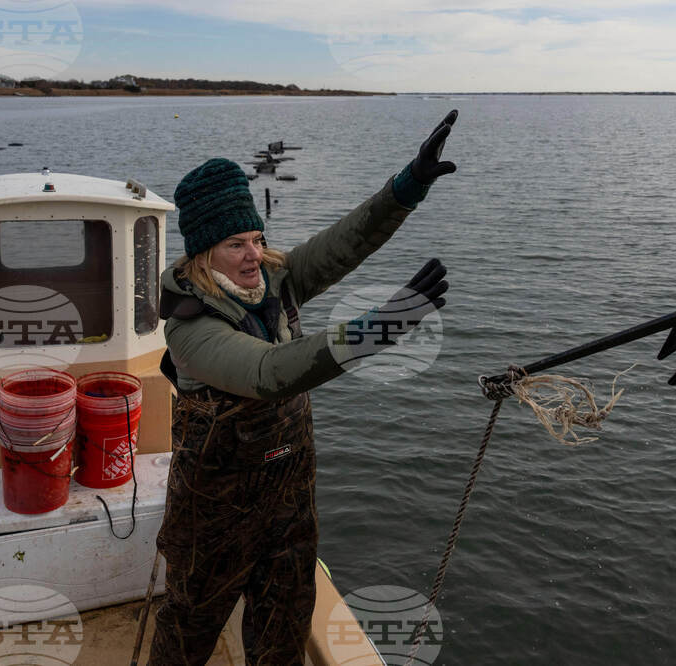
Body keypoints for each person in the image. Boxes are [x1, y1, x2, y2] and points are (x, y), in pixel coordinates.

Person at [148, 110, 460, 665]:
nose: (253, 255)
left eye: (257, 238)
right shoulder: (189, 327)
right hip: (212, 520)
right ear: (202, 253)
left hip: (288, 507)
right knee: (187, 636)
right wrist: (379, 328)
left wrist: (407, 186)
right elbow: (269, 373)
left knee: (284, 637)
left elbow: (347, 242)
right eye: (236, 245)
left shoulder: (275, 279)